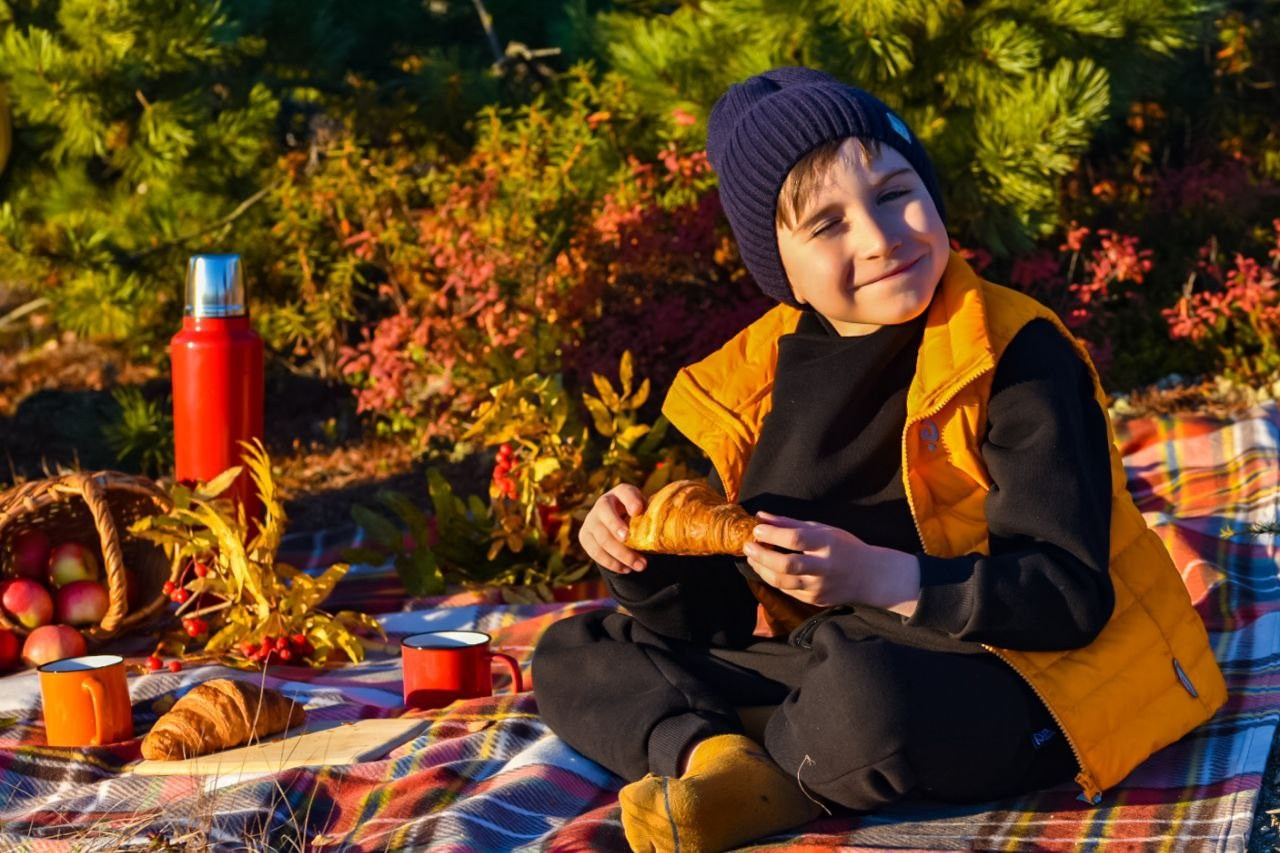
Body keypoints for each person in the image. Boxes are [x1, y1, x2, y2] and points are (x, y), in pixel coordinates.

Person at [532, 66, 1226, 853]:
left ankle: (783, 754)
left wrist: (879, 578)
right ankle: (719, 760)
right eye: (826, 225)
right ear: (778, 267)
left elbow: (1067, 597)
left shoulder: (1015, 355)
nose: (879, 235)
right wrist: (640, 561)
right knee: (575, 649)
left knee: (866, 702)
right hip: (834, 650)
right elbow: (722, 614)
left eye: (896, 193)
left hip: (1021, 668)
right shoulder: (757, 382)